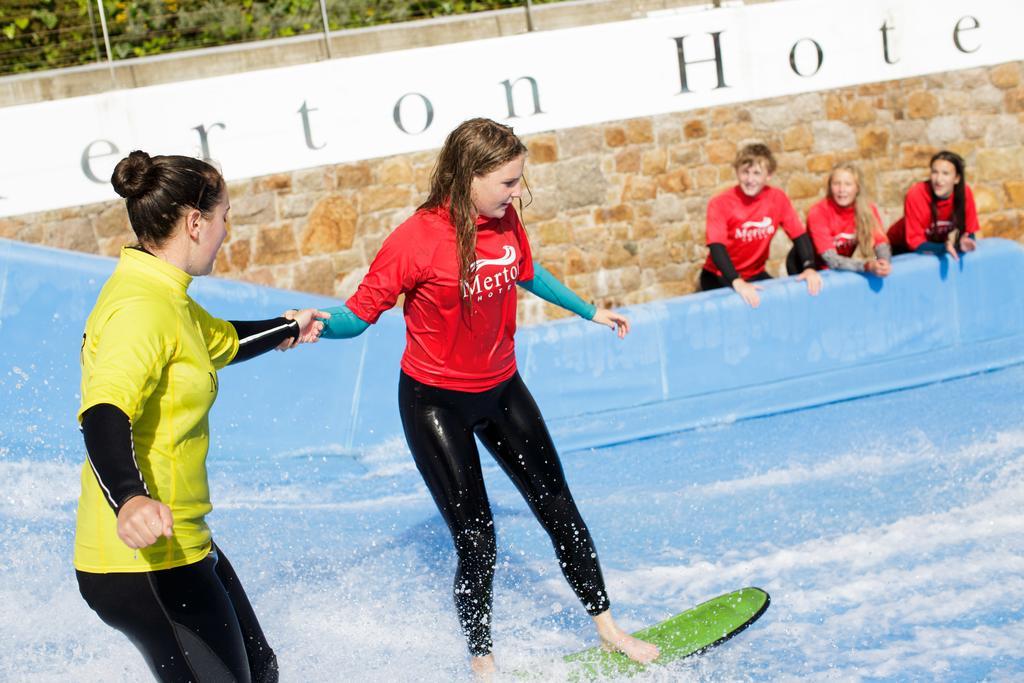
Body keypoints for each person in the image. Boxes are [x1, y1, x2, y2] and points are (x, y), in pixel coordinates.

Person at [315, 118, 659, 677]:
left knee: (560, 510)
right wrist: (305, 326)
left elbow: (527, 271)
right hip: (435, 403)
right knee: (478, 539)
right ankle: (483, 663)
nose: (518, 192)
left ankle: (609, 629)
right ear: (467, 177)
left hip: (502, 389)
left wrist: (589, 310)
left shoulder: (505, 220)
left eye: (520, 180)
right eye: (508, 182)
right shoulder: (415, 239)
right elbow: (356, 318)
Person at [75, 151, 325, 682]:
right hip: (138, 561)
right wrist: (130, 497)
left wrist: (286, 328)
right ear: (195, 222)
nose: (226, 232)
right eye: (224, 218)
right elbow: (102, 410)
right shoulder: (141, 307)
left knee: (259, 671)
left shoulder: (170, 297)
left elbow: (222, 341)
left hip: (184, 541)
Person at [699, 143, 822, 308]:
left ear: (768, 175)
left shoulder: (777, 199)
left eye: (757, 173)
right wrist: (737, 282)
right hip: (720, 276)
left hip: (755, 274)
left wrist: (809, 267)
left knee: (784, 306)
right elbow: (716, 247)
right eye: (745, 172)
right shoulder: (720, 203)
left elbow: (799, 235)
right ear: (737, 172)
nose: (750, 180)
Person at [786, 162, 892, 276]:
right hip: (805, 266)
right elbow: (830, 259)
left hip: (837, 265)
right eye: (836, 184)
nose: (842, 189)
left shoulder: (867, 209)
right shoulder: (818, 212)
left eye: (848, 184)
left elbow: (881, 242)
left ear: (857, 188)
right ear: (830, 187)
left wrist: (883, 262)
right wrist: (866, 266)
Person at [887, 150, 980, 259]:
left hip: (931, 243)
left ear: (957, 178)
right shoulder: (917, 194)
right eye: (935, 172)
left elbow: (969, 231)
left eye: (945, 173)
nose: (939, 180)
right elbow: (914, 243)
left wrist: (966, 242)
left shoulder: (964, 193)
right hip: (897, 246)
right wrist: (942, 248)